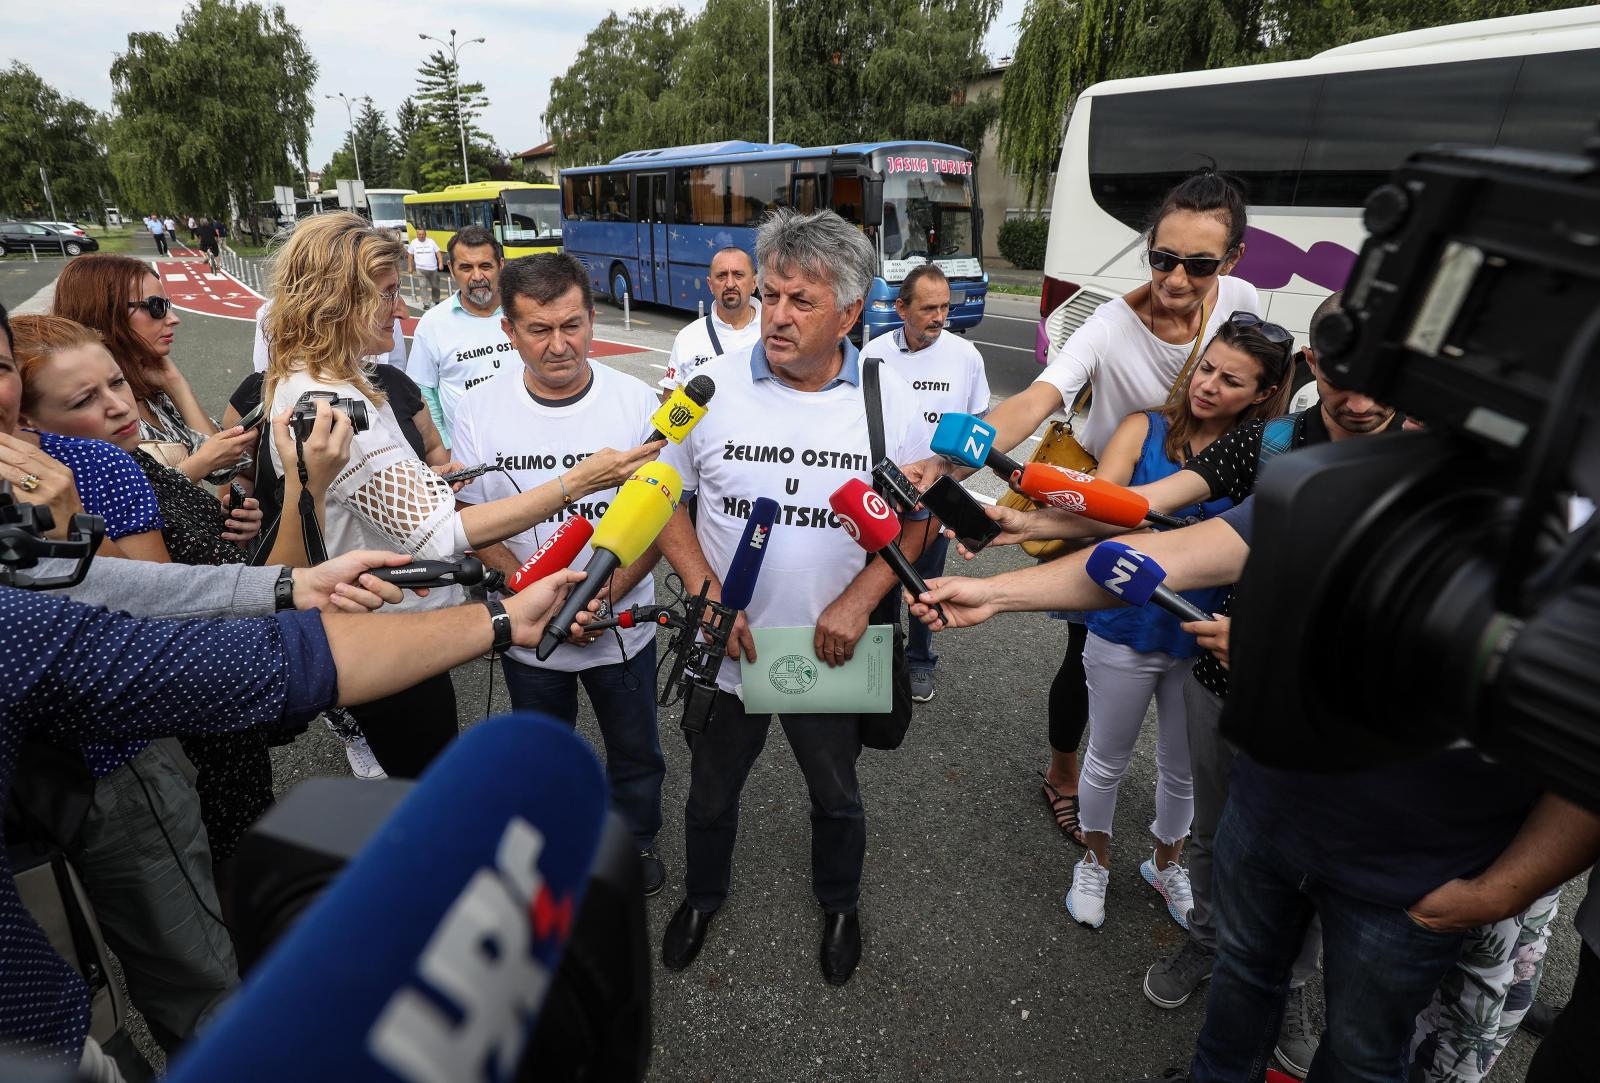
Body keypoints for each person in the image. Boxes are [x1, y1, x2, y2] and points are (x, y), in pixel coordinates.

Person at [0, 530, 590, 1073]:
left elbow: (117, 593)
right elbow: (270, 663)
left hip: (49, 1019)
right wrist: (501, 618)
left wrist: (291, 584)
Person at [909, 170, 1260, 855]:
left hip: (1205, 496)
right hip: (1107, 497)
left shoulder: (1241, 300)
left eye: (1199, 264)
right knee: (1086, 643)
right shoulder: (1108, 326)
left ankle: (1194, 814)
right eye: (1163, 258)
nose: (1177, 279)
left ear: (1233, 262)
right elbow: (1033, 402)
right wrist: (950, 464)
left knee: (1198, 653)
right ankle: (1063, 771)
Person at [261, 211, 661, 778]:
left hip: (389, 619)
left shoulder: (328, 381)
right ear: (340, 302)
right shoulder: (328, 395)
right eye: (386, 294)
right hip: (384, 628)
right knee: (424, 783)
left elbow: (383, 495)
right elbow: (440, 531)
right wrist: (578, 481)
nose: (398, 310)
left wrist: (428, 483)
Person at [654, 209, 932, 986]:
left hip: (829, 649)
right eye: (772, 293)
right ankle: (703, 897)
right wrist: (710, 591)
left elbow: (917, 518)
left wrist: (860, 599)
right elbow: (659, 492)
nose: (776, 314)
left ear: (849, 311)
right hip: (729, 646)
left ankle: (839, 903)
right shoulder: (708, 386)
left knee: (836, 793)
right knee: (709, 793)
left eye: (800, 301)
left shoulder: (889, 398)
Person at [1061, 314, 1289, 932]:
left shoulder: (1266, 454)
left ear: (1265, 394)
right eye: (1206, 368)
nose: (1209, 386)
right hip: (1126, 629)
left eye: (1231, 380)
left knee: (1182, 769)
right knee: (1106, 756)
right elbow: (1096, 511)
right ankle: (1095, 861)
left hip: (1204, 638)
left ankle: (1166, 865)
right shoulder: (1145, 427)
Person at [452, 253, 668, 895]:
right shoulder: (475, 408)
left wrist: (606, 593)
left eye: (572, 325)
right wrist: (529, 593)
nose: (559, 345)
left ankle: (633, 847)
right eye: (539, 330)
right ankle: (552, 858)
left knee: (636, 755)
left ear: (592, 318)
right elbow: (470, 518)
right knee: (544, 758)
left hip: (621, 623)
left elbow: (665, 517)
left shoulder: (637, 403)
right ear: (508, 333)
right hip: (527, 627)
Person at [860, 262, 990, 703]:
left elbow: (980, 435)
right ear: (901, 308)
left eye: (945, 308)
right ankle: (879, 660)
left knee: (926, 584)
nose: (940, 317)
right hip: (880, 495)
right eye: (929, 308)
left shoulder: (966, 358)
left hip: (931, 499)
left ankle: (919, 660)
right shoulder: (872, 353)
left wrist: (946, 475)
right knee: (879, 582)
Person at [52, 254, 256, 486]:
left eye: (168, 305)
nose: (174, 319)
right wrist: (198, 466)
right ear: (105, 312)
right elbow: (116, 506)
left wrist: (175, 384)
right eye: (157, 307)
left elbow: (224, 466)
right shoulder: (81, 409)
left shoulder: (149, 386)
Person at [406, 225, 514, 450]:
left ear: (501, 266)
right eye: (466, 267)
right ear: (452, 270)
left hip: (530, 450)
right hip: (467, 460)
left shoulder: (524, 312)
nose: (477, 276)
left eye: (485, 266)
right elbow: (424, 392)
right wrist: (443, 447)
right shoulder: (433, 323)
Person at [660, 246, 762, 399]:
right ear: (710, 285)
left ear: (755, 283)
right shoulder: (687, 337)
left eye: (738, 275)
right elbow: (668, 404)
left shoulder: (774, 332)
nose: (730, 284)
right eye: (721, 276)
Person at [405, 225, 446, 310]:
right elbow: (410, 256)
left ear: (425, 234)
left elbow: (438, 253)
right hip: (420, 269)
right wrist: (410, 266)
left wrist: (441, 263)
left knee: (435, 286)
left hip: (432, 269)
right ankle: (426, 303)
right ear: (417, 234)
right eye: (419, 234)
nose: (421, 236)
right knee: (422, 286)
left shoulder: (431, 242)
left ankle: (436, 300)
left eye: (423, 234)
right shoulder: (414, 242)